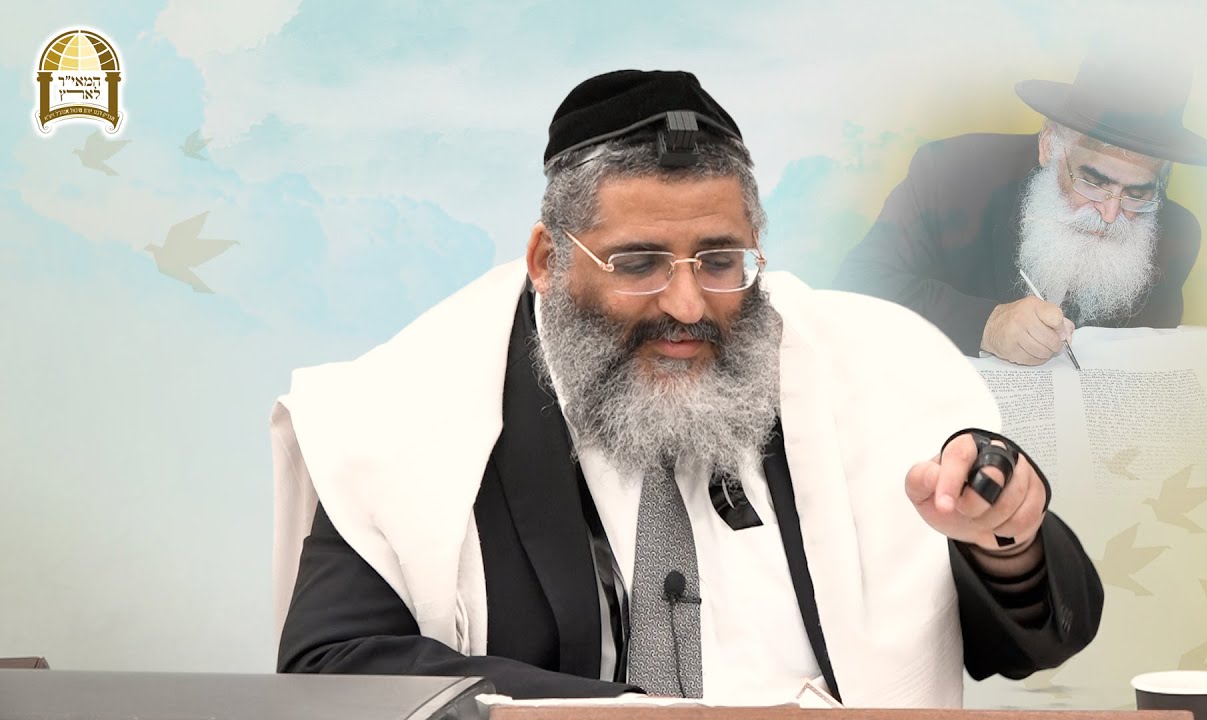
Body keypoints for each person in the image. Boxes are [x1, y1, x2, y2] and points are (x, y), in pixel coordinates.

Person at [271, 70, 1103, 706]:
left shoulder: (873, 371)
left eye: (719, 260)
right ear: (547, 261)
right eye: (638, 263)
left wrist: (1005, 537)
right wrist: (634, 719)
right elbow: (334, 666)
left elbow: (1031, 645)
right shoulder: (412, 411)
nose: (687, 304)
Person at [835, 53, 1207, 365]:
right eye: (1093, 181)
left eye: (1137, 193)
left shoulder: (1175, 233)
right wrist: (987, 324)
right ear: (1050, 144)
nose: (1109, 214)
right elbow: (855, 287)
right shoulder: (951, 174)